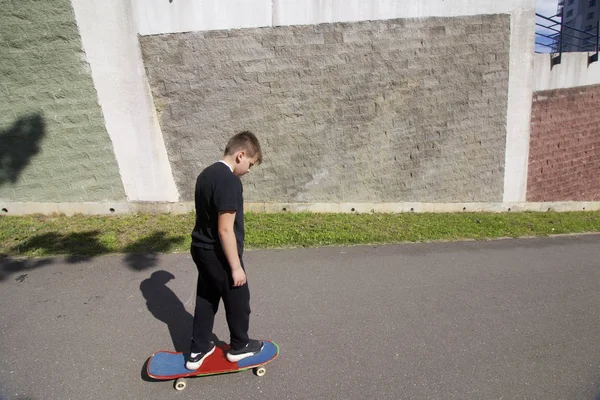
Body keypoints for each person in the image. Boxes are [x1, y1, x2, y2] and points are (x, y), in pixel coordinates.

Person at [186, 131, 264, 370]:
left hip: (200, 248)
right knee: (238, 298)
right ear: (240, 155)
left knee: (206, 297)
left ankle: (198, 349)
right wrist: (236, 267)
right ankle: (240, 346)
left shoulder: (206, 174)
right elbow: (225, 231)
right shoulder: (229, 181)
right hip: (218, 253)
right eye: (250, 164)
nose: (249, 171)